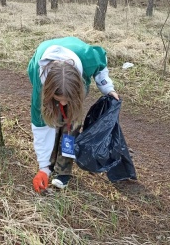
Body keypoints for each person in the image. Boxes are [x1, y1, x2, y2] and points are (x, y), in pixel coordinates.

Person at [27, 36, 119, 193]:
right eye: (59, 100)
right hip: (45, 75)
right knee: (52, 120)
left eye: (67, 100)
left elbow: (101, 62)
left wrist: (107, 88)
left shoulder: (89, 58)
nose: (63, 104)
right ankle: (50, 164)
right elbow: (40, 127)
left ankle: (63, 170)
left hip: (77, 69)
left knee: (71, 125)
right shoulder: (39, 82)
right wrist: (43, 167)